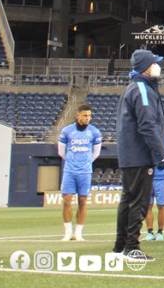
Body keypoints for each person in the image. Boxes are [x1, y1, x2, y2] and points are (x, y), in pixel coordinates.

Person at [113, 49, 164, 262]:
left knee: (127, 200)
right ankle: (132, 248)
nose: (158, 66)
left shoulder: (132, 87)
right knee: (139, 202)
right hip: (140, 155)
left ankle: (119, 248)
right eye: (155, 63)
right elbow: (147, 125)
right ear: (146, 67)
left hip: (129, 155)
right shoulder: (143, 90)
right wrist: (160, 153)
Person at [59, 103, 101, 241]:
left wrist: (87, 162)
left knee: (83, 201)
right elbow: (61, 152)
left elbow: (96, 152)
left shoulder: (94, 132)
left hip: (85, 172)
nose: (87, 118)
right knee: (67, 201)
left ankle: (78, 233)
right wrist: (72, 161)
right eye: (85, 115)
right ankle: (67, 232)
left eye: (89, 115)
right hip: (70, 171)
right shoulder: (67, 131)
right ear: (78, 115)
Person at [144, 133, 164, 240]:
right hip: (147, 175)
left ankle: (160, 232)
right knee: (148, 205)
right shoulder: (145, 136)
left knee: (161, 205)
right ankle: (149, 232)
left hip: (161, 177)